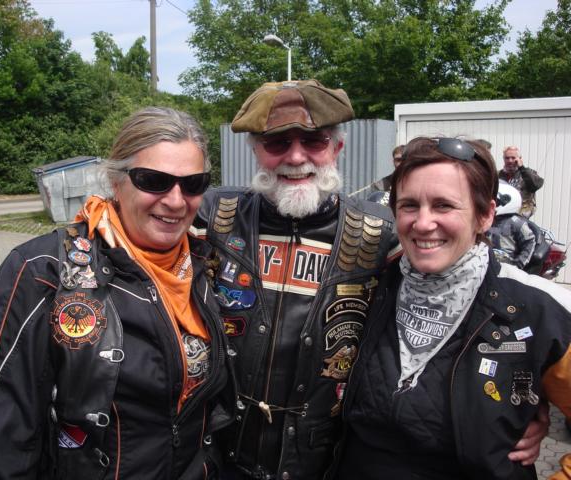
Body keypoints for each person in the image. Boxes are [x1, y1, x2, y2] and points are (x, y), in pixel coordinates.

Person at [193, 81, 546, 479]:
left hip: (325, 464)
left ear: (337, 148)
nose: (295, 156)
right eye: (276, 143)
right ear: (256, 150)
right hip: (220, 455)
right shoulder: (212, 216)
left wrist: (524, 398)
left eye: (314, 141)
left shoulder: (385, 236)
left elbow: (468, 298)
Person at [0, 107, 233, 479]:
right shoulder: (45, 270)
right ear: (116, 182)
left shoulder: (208, 264)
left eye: (193, 183)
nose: (176, 200)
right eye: (154, 181)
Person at [338, 137, 571, 479]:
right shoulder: (369, 285)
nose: (423, 223)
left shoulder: (540, 310)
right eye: (409, 205)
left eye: (444, 206)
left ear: (485, 215)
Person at [487, 182, 536, 269]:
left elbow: (529, 242)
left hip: (507, 265)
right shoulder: (487, 219)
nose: (493, 203)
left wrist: (519, 263)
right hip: (487, 262)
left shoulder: (516, 222)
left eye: (497, 201)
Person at [498, 145, 543, 219]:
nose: (510, 161)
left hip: (521, 214)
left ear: (519, 158)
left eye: (513, 158)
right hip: (502, 213)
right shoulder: (498, 175)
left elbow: (535, 185)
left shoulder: (528, 173)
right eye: (507, 158)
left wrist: (522, 168)